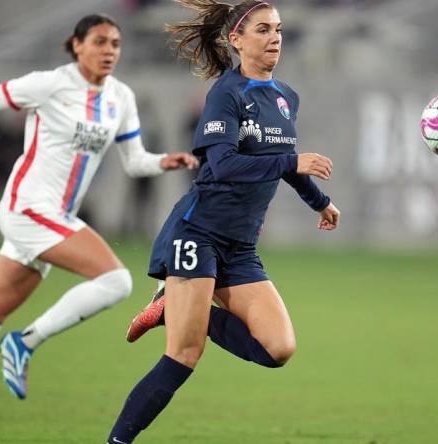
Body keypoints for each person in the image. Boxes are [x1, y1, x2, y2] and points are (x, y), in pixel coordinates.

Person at [0, 13, 198, 444]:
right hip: (28, 208)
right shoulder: (52, 84)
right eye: (99, 42)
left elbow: (133, 160)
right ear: (76, 45)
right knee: (116, 280)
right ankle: (25, 342)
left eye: (115, 43)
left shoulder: (120, 97)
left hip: (53, 218)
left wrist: (163, 161)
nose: (109, 51)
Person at [107, 1, 341, 442]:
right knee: (183, 357)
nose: (275, 38)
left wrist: (320, 202)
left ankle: (169, 312)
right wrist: (293, 160)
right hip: (199, 234)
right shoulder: (226, 93)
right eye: (262, 30)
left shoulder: (286, 97)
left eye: (278, 29)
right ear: (236, 39)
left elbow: (282, 165)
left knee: (278, 349)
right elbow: (225, 164)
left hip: (241, 246)